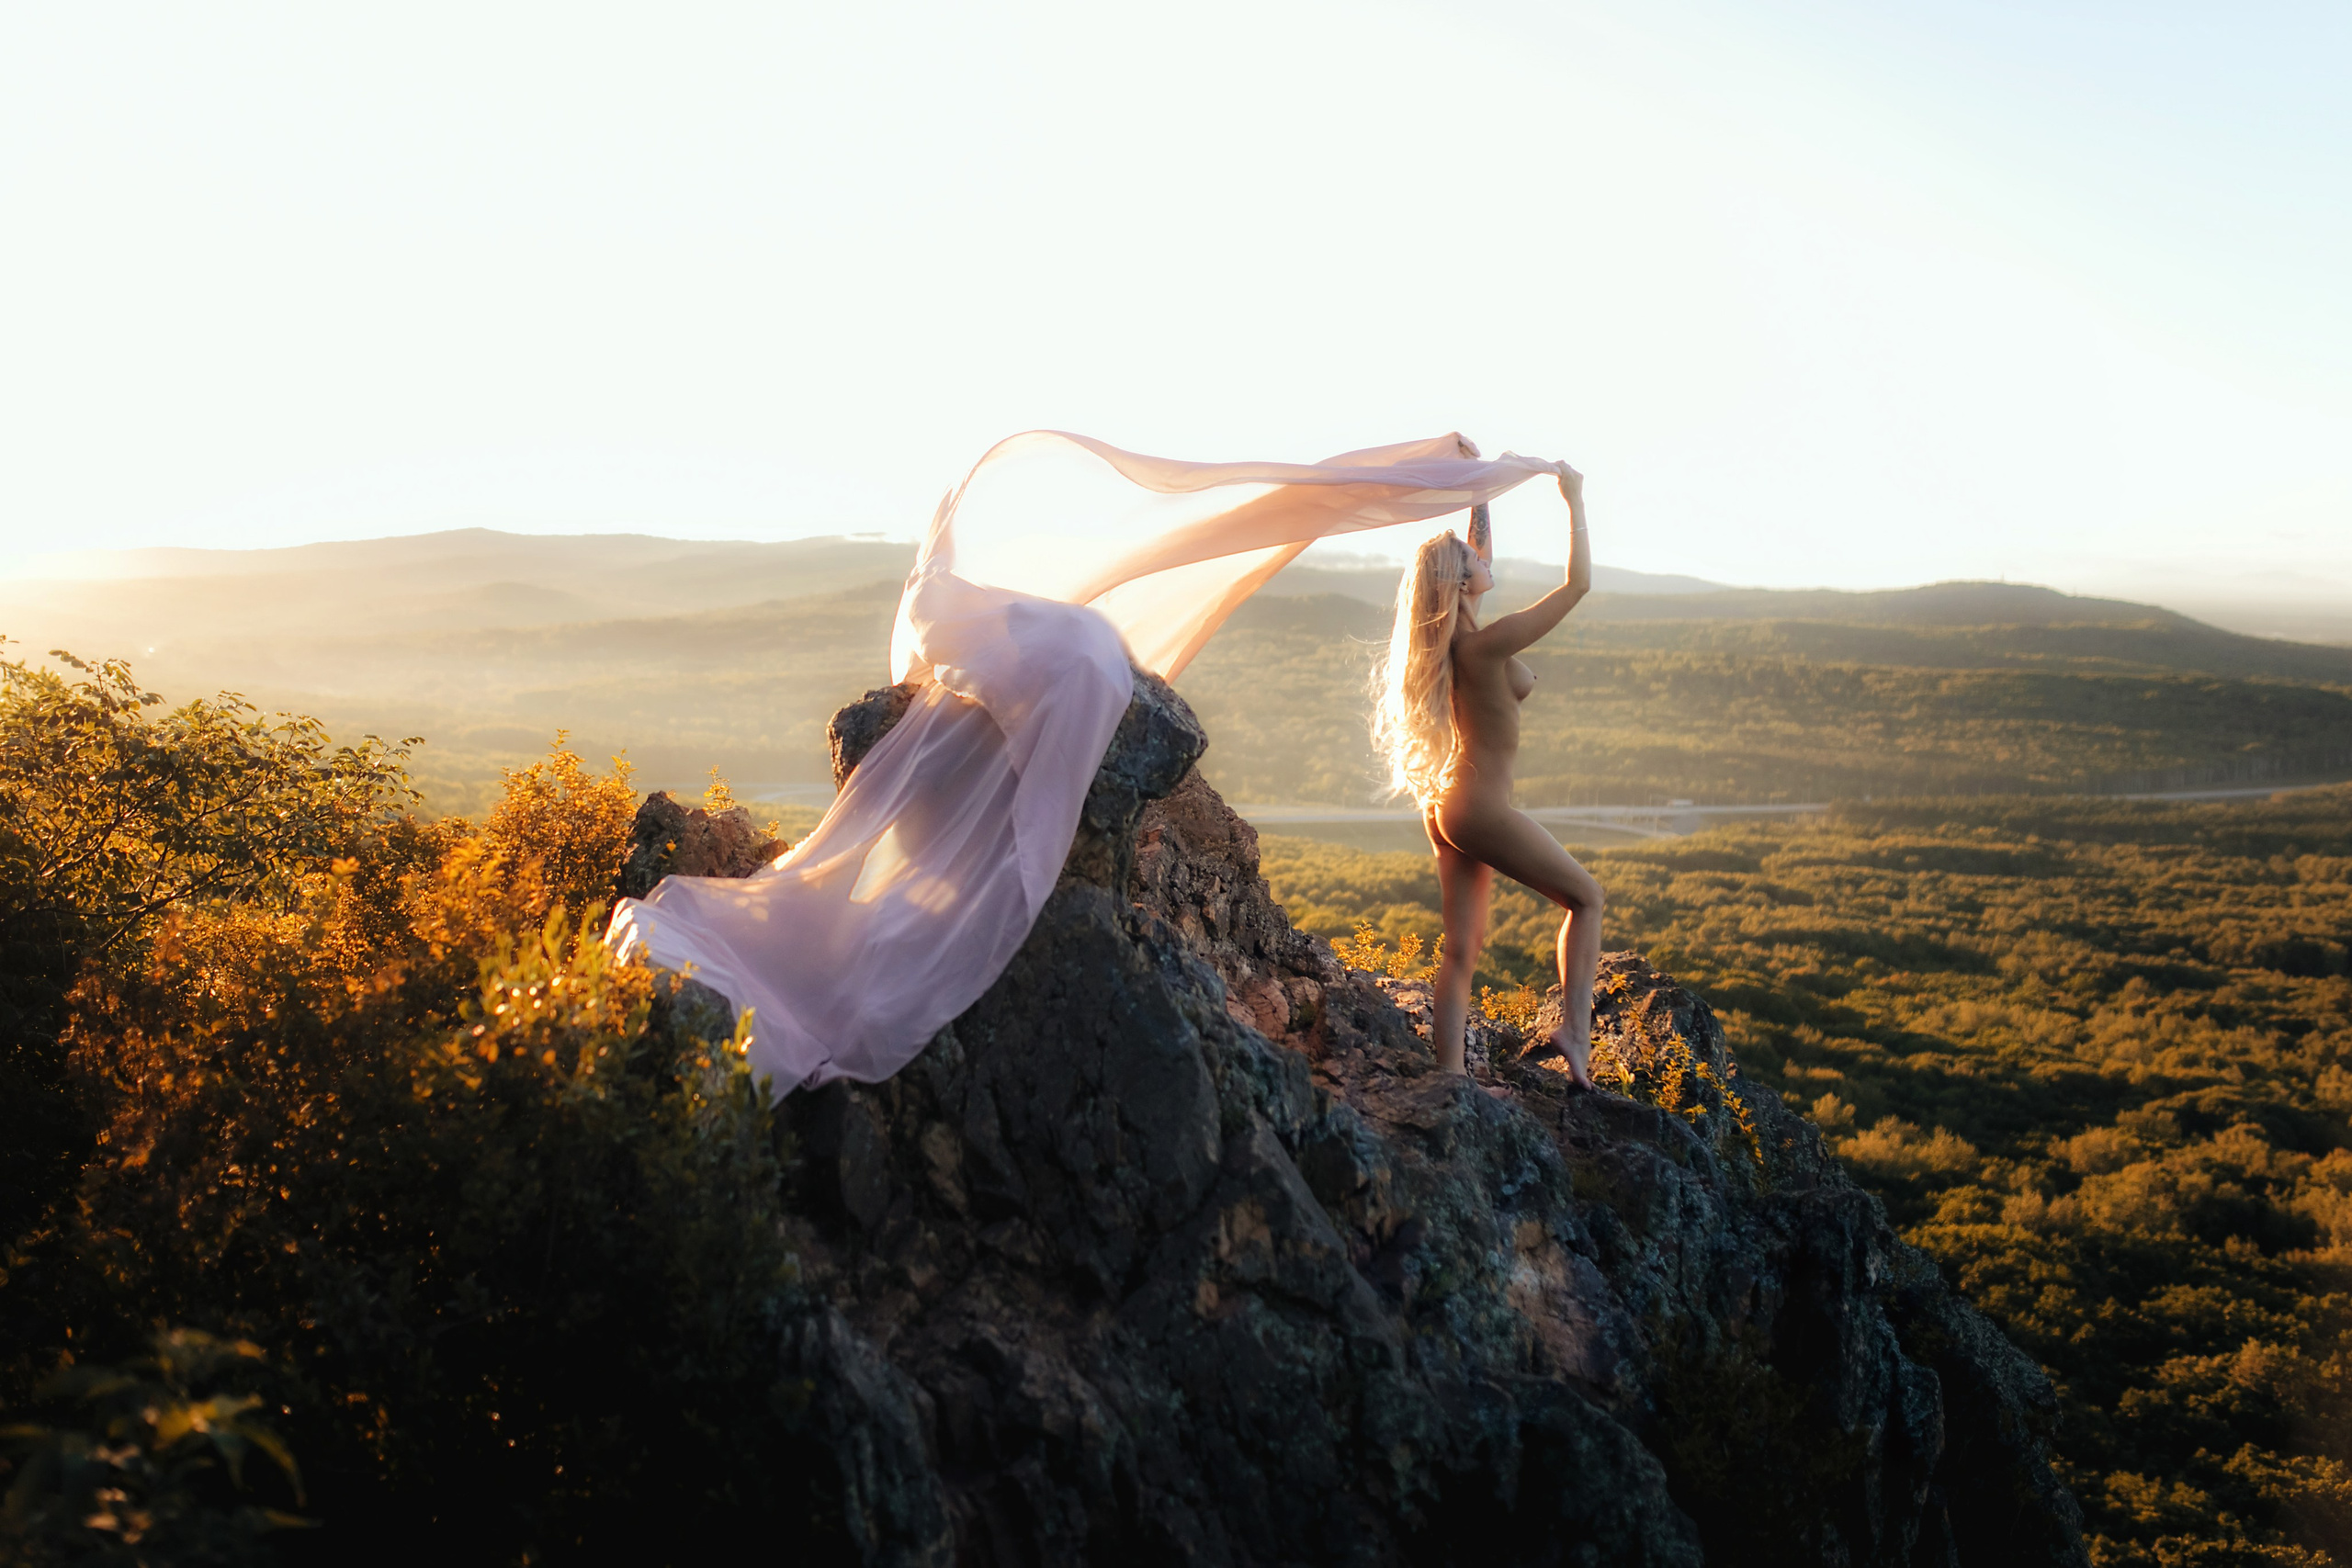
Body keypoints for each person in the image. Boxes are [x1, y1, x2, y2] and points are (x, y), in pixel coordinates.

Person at [1370, 470, 1604, 1088]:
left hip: (1447, 803)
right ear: (1461, 582)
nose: (1485, 559)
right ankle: (1575, 1033)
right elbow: (1578, 585)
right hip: (1477, 806)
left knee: (1460, 950)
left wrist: (1480, 489)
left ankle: (1449, 1077)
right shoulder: (1484, 646)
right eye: (1474, 560)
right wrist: (1575, 501)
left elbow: (1478, 553)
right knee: (1587, 898)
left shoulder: (1460, 642)